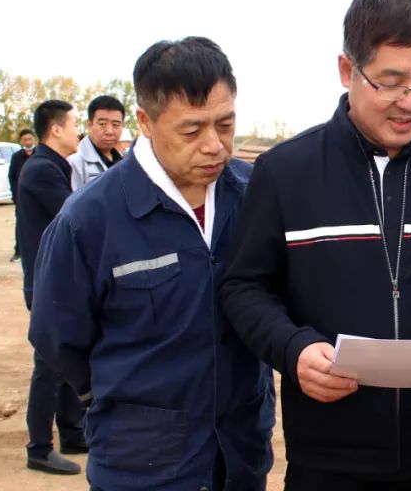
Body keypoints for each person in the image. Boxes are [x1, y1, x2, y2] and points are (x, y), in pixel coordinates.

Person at [220, 0, 411, 490]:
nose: (410, 102)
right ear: (347, 70)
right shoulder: (285, 172)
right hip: (325, 459)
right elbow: (245, 287)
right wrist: (293, 349)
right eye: (391, 82)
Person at [29, 37, 275, 491]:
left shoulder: (256, 195)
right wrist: (126, 402)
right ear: (145, 122)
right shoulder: (89, 219)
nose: (214, 146)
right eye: (191, 131)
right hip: (141, 463)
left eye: (225, 125)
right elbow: (57, 337)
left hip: (240, 455)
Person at [17, 100, 83, 475]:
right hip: (47, 283)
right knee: (49, 365)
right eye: (73, 124)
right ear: (55, 129)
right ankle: (39, 448)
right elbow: (77, 216)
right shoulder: (42, 169)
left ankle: (73, 433)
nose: (77, 131)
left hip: (56, 279)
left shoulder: (53, 166)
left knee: (68, 357)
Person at [68, 94, 126, 190]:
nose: (109, 131)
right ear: (89, 125)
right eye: (102, 124)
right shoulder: (74, 162)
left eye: (115, 124)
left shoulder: (125, 160)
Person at [8, 128, 36, 262]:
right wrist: (16, 194)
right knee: (20, 224)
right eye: (25, 140)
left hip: (37, 197)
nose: (28, 142)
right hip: (21, 198)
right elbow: (12, 176)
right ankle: (19, 251)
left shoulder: (40, 154)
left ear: (34, 139)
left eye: (29, 139)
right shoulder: (16, 157)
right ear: (21, 141)